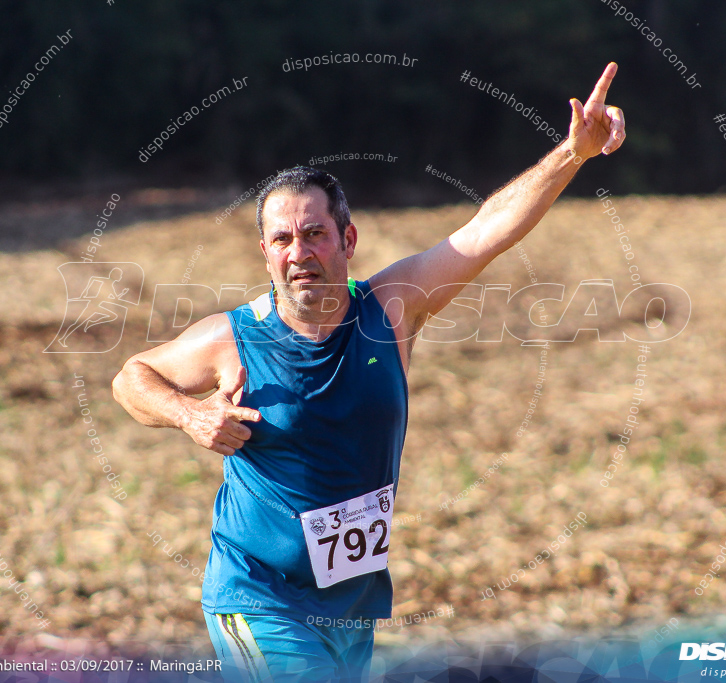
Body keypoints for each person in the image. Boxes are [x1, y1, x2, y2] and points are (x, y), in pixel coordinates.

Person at [112, 62, 625, 682]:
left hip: (351, 603)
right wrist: (189, 414)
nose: (298, 253)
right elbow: (132, 377)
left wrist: (573, 153)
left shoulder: (390, 308)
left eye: (314, 234)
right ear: (265, 252)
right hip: (257, 597)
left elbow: (486, 231)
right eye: (282, 240)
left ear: (347, 238)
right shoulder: (233, 337)